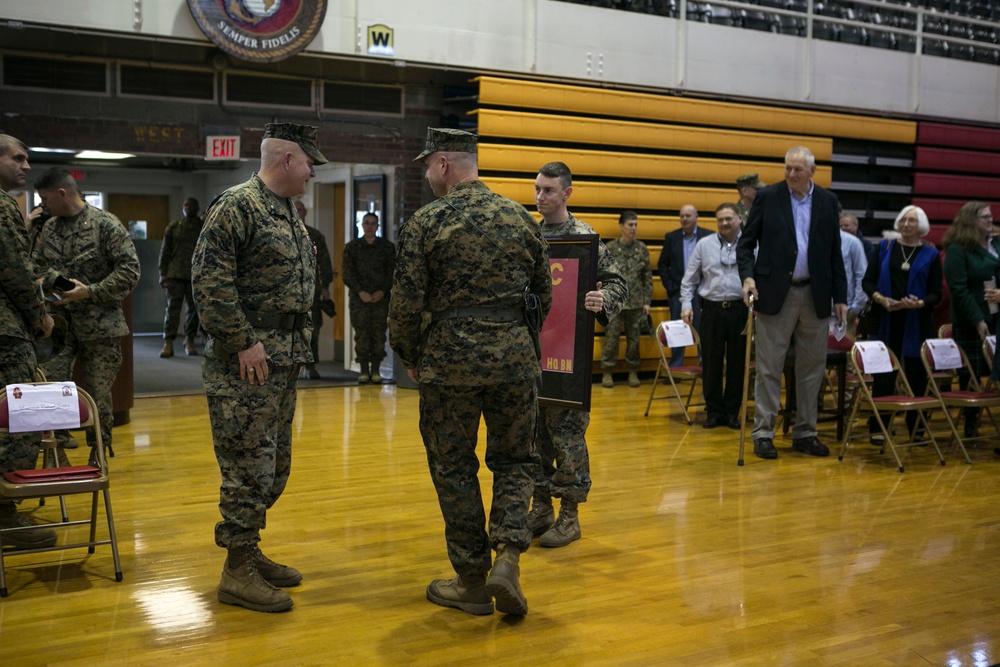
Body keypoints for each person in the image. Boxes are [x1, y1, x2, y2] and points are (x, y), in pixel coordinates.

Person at [389, 127, 552, 617]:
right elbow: (543, 294)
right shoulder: (521, 218)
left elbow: (404, 304)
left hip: (449, 362)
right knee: (516, 461)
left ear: (443, 164)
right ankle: (507, 556)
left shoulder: (427, 221)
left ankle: (471, 580)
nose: (425, 173)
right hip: (515, 361)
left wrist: (410, 354)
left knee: (454, 466)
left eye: (426, 164)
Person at [192, 122, 325, 613]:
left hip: (283, 360)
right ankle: (236, 571)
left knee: (274, 465)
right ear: (287, 159)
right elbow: (209, 282)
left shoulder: (287, 210)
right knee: (247, 464)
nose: (312, 171)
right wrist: (243, 340)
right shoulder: (236, 205)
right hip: (246, 363)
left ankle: (247, 549)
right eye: (309, 162)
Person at [530, 161, 627, 548]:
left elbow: (618, 284)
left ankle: (570, 516)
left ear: (567, 192)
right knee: (533, 439)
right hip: (533, 356)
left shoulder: (585, 238)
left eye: (548, 190)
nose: (539, 197)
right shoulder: (530, 234)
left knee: (568, 438)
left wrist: (605, 298)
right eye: (537, 189)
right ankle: (540, 507)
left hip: (569, 360)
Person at [736, 146, 847, 460]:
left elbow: (834, 253)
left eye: (797, 170)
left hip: (816, 294)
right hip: (774, 294)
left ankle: (805, 433)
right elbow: (745, 245)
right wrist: (747, 277)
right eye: (787, 169)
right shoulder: (769, 197)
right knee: (770, 367)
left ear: (812, 171)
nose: (791, 175)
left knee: (813, 368)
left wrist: (840, 296)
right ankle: (763, 434)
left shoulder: (827, 201)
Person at [32, 167, 140, 464]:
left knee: (97, 392)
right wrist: (52, 279)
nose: (42, 205)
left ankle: (99, 451)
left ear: (62, 193)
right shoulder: (49, 229)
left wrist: (89, 291)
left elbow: (130, 271)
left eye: (45, 198)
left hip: (100, 325)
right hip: (58, 325)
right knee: (52, 386)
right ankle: (57, 448)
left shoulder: (105, 225)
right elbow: (35, 267)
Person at [0, 133, 56, 549]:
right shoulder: (3, 206)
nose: (26, 166)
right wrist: (39, 318)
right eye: (18, 158)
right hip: (6, 332)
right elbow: (15, 271)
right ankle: (5, 516)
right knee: (20, 420)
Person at [862, 205, 941, 440]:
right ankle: (878, 427)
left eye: (912, 221)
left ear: (922, 227)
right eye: (903, 220)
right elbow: (868, 282)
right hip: (885, 318)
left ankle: (916, 428)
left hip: (916, 321)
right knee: (884, 376)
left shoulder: (931, 255)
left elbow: (936, 293)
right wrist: (879, 298)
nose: (906, 225)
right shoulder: (884, 247)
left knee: (917, 377)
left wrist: (920, 303)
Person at [679, 203, 747, 430]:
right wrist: (687, 305)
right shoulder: (704, 245)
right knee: (711, 362)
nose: (725, 223)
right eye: (720, 220)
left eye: (729, 219)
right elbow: (689, 281)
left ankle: (731, 412)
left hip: (740, 310)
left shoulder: (750, 245)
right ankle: (714, 411)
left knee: (738, 363)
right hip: (711, 310)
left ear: (739, 218)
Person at [942, 200, 999, 437]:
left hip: (996, 315)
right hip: (971, 321)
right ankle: (970, 425)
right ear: (970, 221)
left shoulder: (996, 244)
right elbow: (959, 289)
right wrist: (978, 319)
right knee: (972, 374)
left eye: (990, 216)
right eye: (984, 217)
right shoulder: (958, 249)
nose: (990, 219)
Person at [600, 210, 652, 388]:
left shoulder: (642, 248)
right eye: (631, 224)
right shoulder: (610, 248)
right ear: (621, 226)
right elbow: (603, 275)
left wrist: (647, 302)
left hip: (636, 302)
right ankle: (607, 371)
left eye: (636, 224)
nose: (634, 228)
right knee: (612, 339)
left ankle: (633, 371)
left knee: (634, 340)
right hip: (614, 302)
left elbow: (647, 277)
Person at [342, 212, 395, 384]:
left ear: (378, 226)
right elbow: (347, 274)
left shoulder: (387, 247)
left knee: (379, 334)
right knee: (362, 334)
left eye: (373, 223)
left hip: (381, 298)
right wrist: (360, 291)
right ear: (362, 225)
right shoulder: (352, 248)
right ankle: (364, 371)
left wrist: (382, 290)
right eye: (367, 223)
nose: (370, 226)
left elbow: (392, 273)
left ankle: (376, 371)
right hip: (360, 300)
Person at [658, 205, 711, 366]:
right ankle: (675, 367)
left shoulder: (708, 237)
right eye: (682, 216)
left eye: (688, 216)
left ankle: (705, 366)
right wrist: (671, 287)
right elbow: (662, 264)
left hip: (703, 292)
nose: (685, 219)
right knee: (678, 331)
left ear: (696, 217)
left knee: (703, 330)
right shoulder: (671, 237)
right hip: (678, 293)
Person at [294, 200, 334, 380]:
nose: (297, 213)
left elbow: (325, 262)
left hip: (312, 290)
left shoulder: (314, 235)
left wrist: (325, 286)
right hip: (288, 292)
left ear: (305, 212)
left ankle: (310, 365)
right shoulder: (280, 232)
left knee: (313, 328)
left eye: (300, 210)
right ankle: (293, 365)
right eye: (294, 210)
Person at [158, 197, 203, 358]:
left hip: (195, 275)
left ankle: (189, 339)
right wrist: (162, 273)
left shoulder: (202, 227)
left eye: (191, 205)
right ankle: (168, 342)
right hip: (175, 274)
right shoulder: (174, 227)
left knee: (194, 311)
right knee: (172, 310)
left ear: (197, 208)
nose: (188, 208)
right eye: (185, 205)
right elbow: (165, 251)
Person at [840, 226, 869, 328]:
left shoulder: (852, 242)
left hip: (846, 307)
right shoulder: (814, 240)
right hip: (816, 309)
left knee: (844, 343)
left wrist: (856, 308)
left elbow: (862, 275)